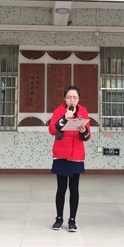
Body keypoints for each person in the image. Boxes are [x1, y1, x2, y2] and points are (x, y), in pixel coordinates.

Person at [48, 85, 91, 232]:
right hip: (61, 155)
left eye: (75, 98)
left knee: (74, 189)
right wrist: (64, 118)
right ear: (64, 98)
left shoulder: (83, 112)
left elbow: (87, 136)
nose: (72, 100)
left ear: (78, 99)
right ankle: (59, 218)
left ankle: (72, 220)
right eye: (69, 97)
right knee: (61, 189)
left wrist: (83, 131)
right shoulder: (59, 111)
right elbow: (52, 130)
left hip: (76, 156)